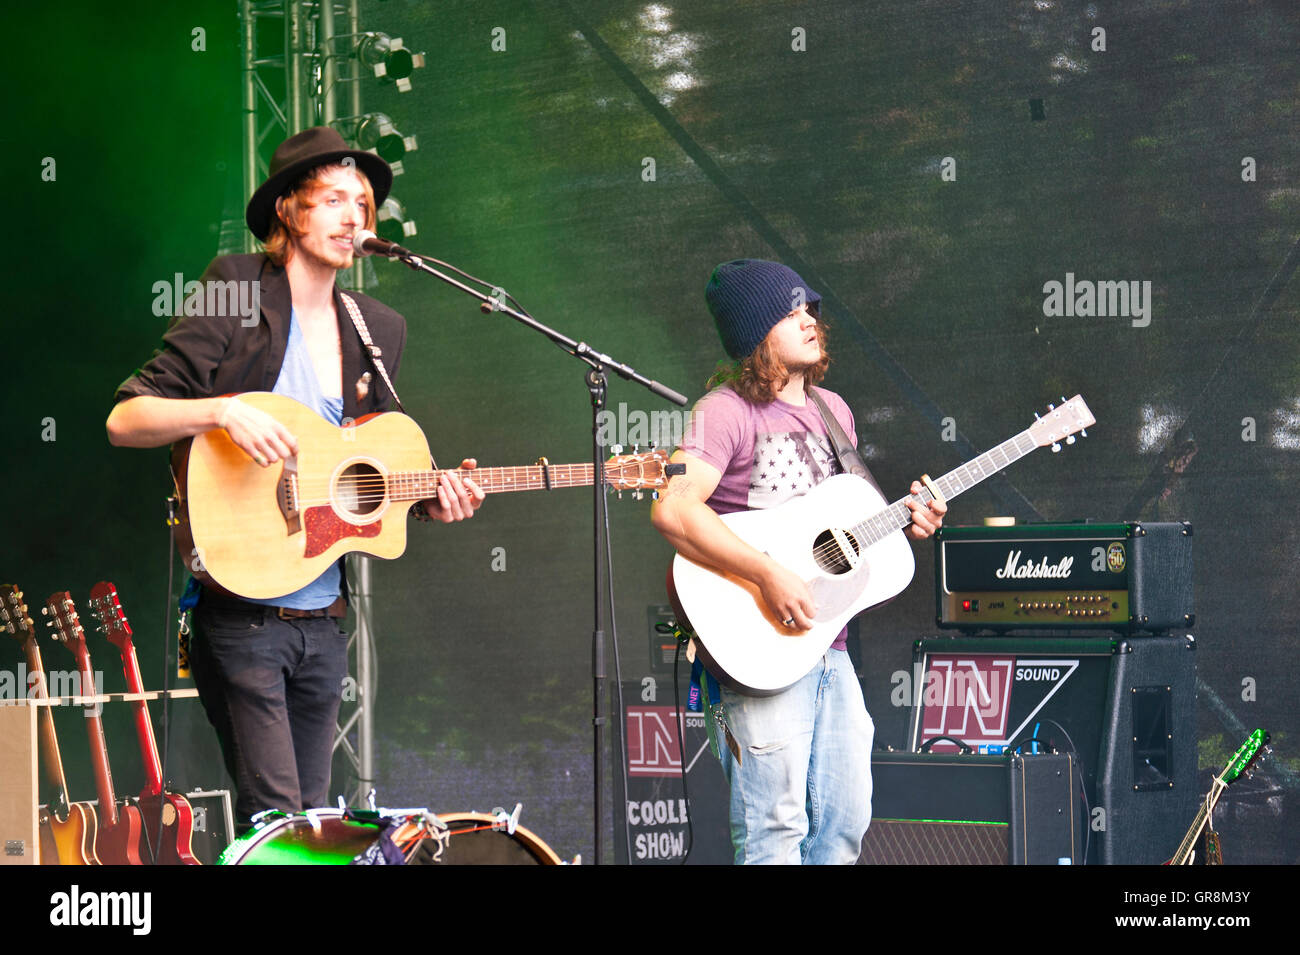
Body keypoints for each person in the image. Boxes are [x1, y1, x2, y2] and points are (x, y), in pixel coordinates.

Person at [106, 127, 484, 827]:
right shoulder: (236, 288)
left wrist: (437, 497)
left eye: (363, 206)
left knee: (315, 826)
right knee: (277, 821)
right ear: (288, 209)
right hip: (240, 610)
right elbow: (125, 420)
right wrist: (221, 410)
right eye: (334, 199)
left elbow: (366, 475)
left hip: (324, 620)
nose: (353, 219)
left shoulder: (379, 328)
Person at [651, 259, 946, 864]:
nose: (809, 320)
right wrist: (766, 572)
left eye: (809, 308)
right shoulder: (724, 410)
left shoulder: (834, 410)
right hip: (757, 645)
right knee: (774, 833)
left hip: (826, 642)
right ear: (757, 333)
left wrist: (906, 522)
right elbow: (674, 510)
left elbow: (840, 527)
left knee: (844, 824)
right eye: (790, 312)